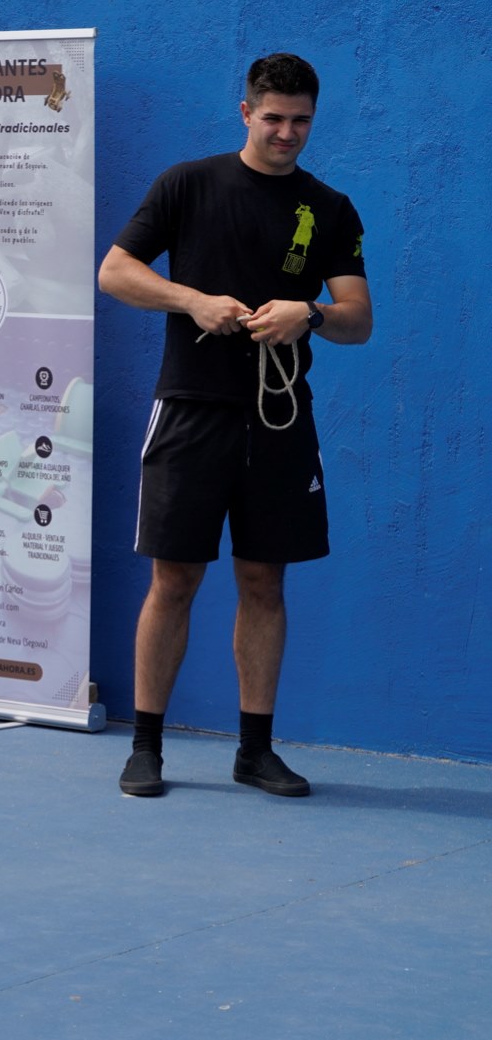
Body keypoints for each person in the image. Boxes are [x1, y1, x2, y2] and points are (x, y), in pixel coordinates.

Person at [99, 53, 372, 799]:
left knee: (264, 580)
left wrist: (306, 312)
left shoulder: (331, 208)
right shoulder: (187, 184)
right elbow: (116, 270)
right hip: (191, 408)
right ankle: (146, 746)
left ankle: (255, 750)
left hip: (279, 420)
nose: (287, 132)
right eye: (274, 117)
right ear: (245, 111)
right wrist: (191, 300)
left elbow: (358, 319)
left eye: (301, 120)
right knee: (175, 577)